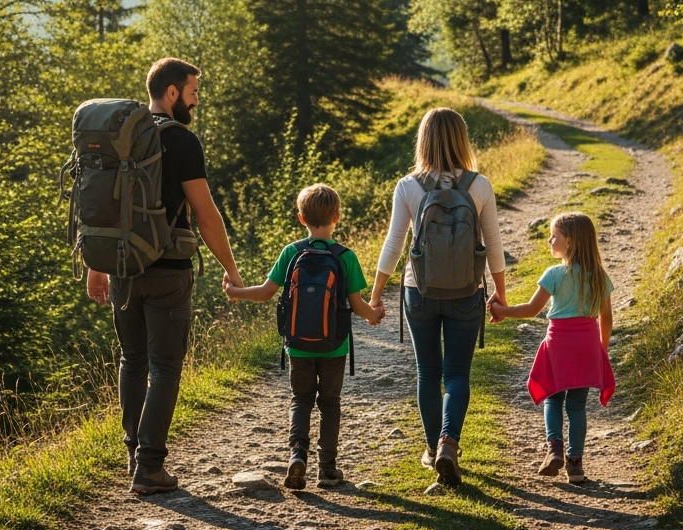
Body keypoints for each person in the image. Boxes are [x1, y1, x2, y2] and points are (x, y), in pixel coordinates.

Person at [87, 57, 244, 496]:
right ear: (172, 92)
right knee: (166, 366)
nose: (195, 100)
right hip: (168, 271)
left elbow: (103, 207)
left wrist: (95, 268)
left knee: (132, 361)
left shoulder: (122, 139)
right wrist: (230, 270)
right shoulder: (182, 141)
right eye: (192, 92)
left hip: (121, 268)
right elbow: (205, 215)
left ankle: (134, 455)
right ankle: (150, 467)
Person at [368, 107, 506, 489]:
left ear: (423, 139)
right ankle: (449, 441)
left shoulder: (409, 185)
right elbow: (493, 244)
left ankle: (432, 449)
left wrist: (376, 296)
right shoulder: (479, 185)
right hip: (467, 293)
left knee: (428, 373)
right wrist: (500, 294)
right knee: (457, 374)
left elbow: (394, 243)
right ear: (462, 139)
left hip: (420, 291)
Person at [224, 183, 384, 490]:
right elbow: (358, 306)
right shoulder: (345, 257)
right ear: (337, 216)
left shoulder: (291, 252)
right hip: (334, 346)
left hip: (297, 346)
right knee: (330, 403)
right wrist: (375, 315)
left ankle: (297, 455)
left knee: (300, 399)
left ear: (301, 219)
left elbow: (265, 293)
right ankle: (327, 470)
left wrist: (235, 292)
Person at [488, 211, 615, 484]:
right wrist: (600, 350)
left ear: (569, 242)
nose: (549, 240)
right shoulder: (599, 277)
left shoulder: (555, 274)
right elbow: (607, 319)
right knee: (578, 406)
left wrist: (501, 310)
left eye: (554, 236)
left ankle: (554, 447)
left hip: (559, 344)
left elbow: (532, 309)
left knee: (553, 397)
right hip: (587, 346)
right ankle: (576, 464)